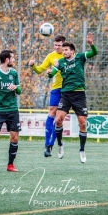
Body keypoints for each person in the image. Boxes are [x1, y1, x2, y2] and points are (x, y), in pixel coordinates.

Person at [48, 32, 98, 163]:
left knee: (82, 123)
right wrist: (49, 72)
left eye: (66, 50)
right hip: (66, 95)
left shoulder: (80, 58)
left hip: (79, 95)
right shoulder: (60, 62)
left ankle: (82, 150)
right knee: (58, 120)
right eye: (62, 49)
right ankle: (60, 145)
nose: (63, 52)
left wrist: (91, 44)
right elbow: (52, 73)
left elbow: (94, 53)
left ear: (72, 51)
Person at [28, 34, 65, 157]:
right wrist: (33, 65)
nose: (57, 47)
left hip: (68, 90)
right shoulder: (51, 56)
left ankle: (53, 143)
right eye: (55, 45)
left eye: (59, 45)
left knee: (59, 118)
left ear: (64, 45)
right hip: (55, 89)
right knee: (52, 112)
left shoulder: (69, 55)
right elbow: (39, 70)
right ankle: (47, 145)